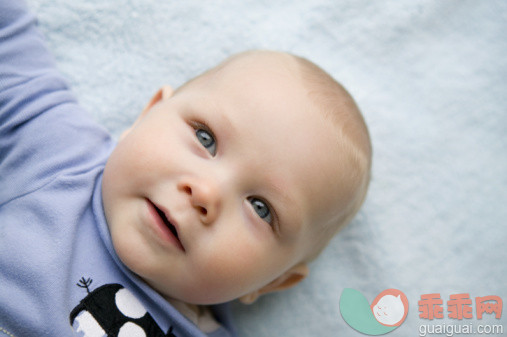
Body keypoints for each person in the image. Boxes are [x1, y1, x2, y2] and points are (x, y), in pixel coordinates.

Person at [0, 1, 372, 336]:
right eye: (206, 139)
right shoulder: (63, 154)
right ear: (150, 112)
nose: (206, 192)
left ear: (274, 281)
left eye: (261, 208)